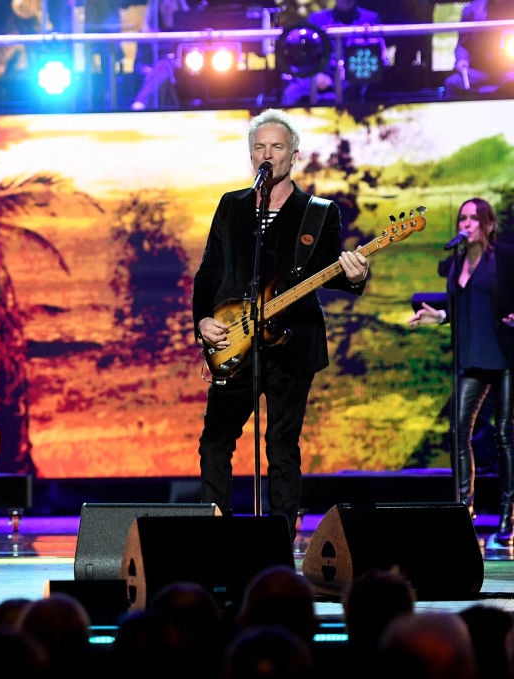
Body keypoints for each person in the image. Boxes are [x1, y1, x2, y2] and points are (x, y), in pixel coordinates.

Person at [191, 108, 370, 540]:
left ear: (293, 155)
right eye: (259, 147)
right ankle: (216, 539)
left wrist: (356, 274)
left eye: (276, 147)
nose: (266, 154)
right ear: (250, 154)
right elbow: (210, 270)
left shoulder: (317, 212)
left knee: (281, 447)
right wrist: (203, 320)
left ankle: (279, 541)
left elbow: (330, 273)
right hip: (236, 341)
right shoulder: (231, 205)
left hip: (293, 345)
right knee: (215, 441)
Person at [407, 197, 514, 540]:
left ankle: (507, 514)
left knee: (503, 437)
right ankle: (464, 510)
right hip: (471, 358)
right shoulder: (455, 264)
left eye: (473, 219)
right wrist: (438, 316)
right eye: (461, 219)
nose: (465, 224)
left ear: (488, 225)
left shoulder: (503, 259)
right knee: (458, 434)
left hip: (504, 357)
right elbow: (459, 308)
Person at [280, 0, 386, 107]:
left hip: (354, 76)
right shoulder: (316, 19)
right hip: (322, 73)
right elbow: (305, 56)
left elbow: (376, 55)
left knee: (361, 87)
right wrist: (317, 75)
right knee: (293, 91)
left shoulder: (370, 18)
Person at [443, 0, 514, 100]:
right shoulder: (471, 10)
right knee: (452, 83)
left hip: (508, 70)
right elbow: (463, 44)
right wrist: (462, 60)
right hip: (478, 70)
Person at [129, 0, 190, 111]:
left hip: (183, 77)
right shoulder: (147, 34)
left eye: (171, 2)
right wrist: (147, 70)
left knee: (165, 64)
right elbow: (138, 65)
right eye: (163, 3)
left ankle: (141, 101)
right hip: (156, 77)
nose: (167, 6)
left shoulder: (187, 33)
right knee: (164, 66)